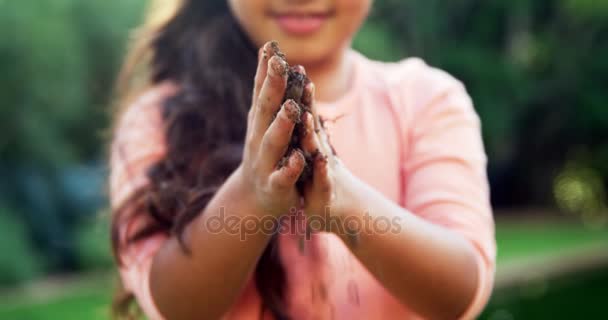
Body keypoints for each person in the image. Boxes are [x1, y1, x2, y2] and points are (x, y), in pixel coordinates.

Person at [109, 0, 496, 319]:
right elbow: (174, 306)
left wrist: (343, 203)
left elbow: (458, 290)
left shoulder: (427, 100)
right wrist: (253, 195)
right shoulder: (160, 118)